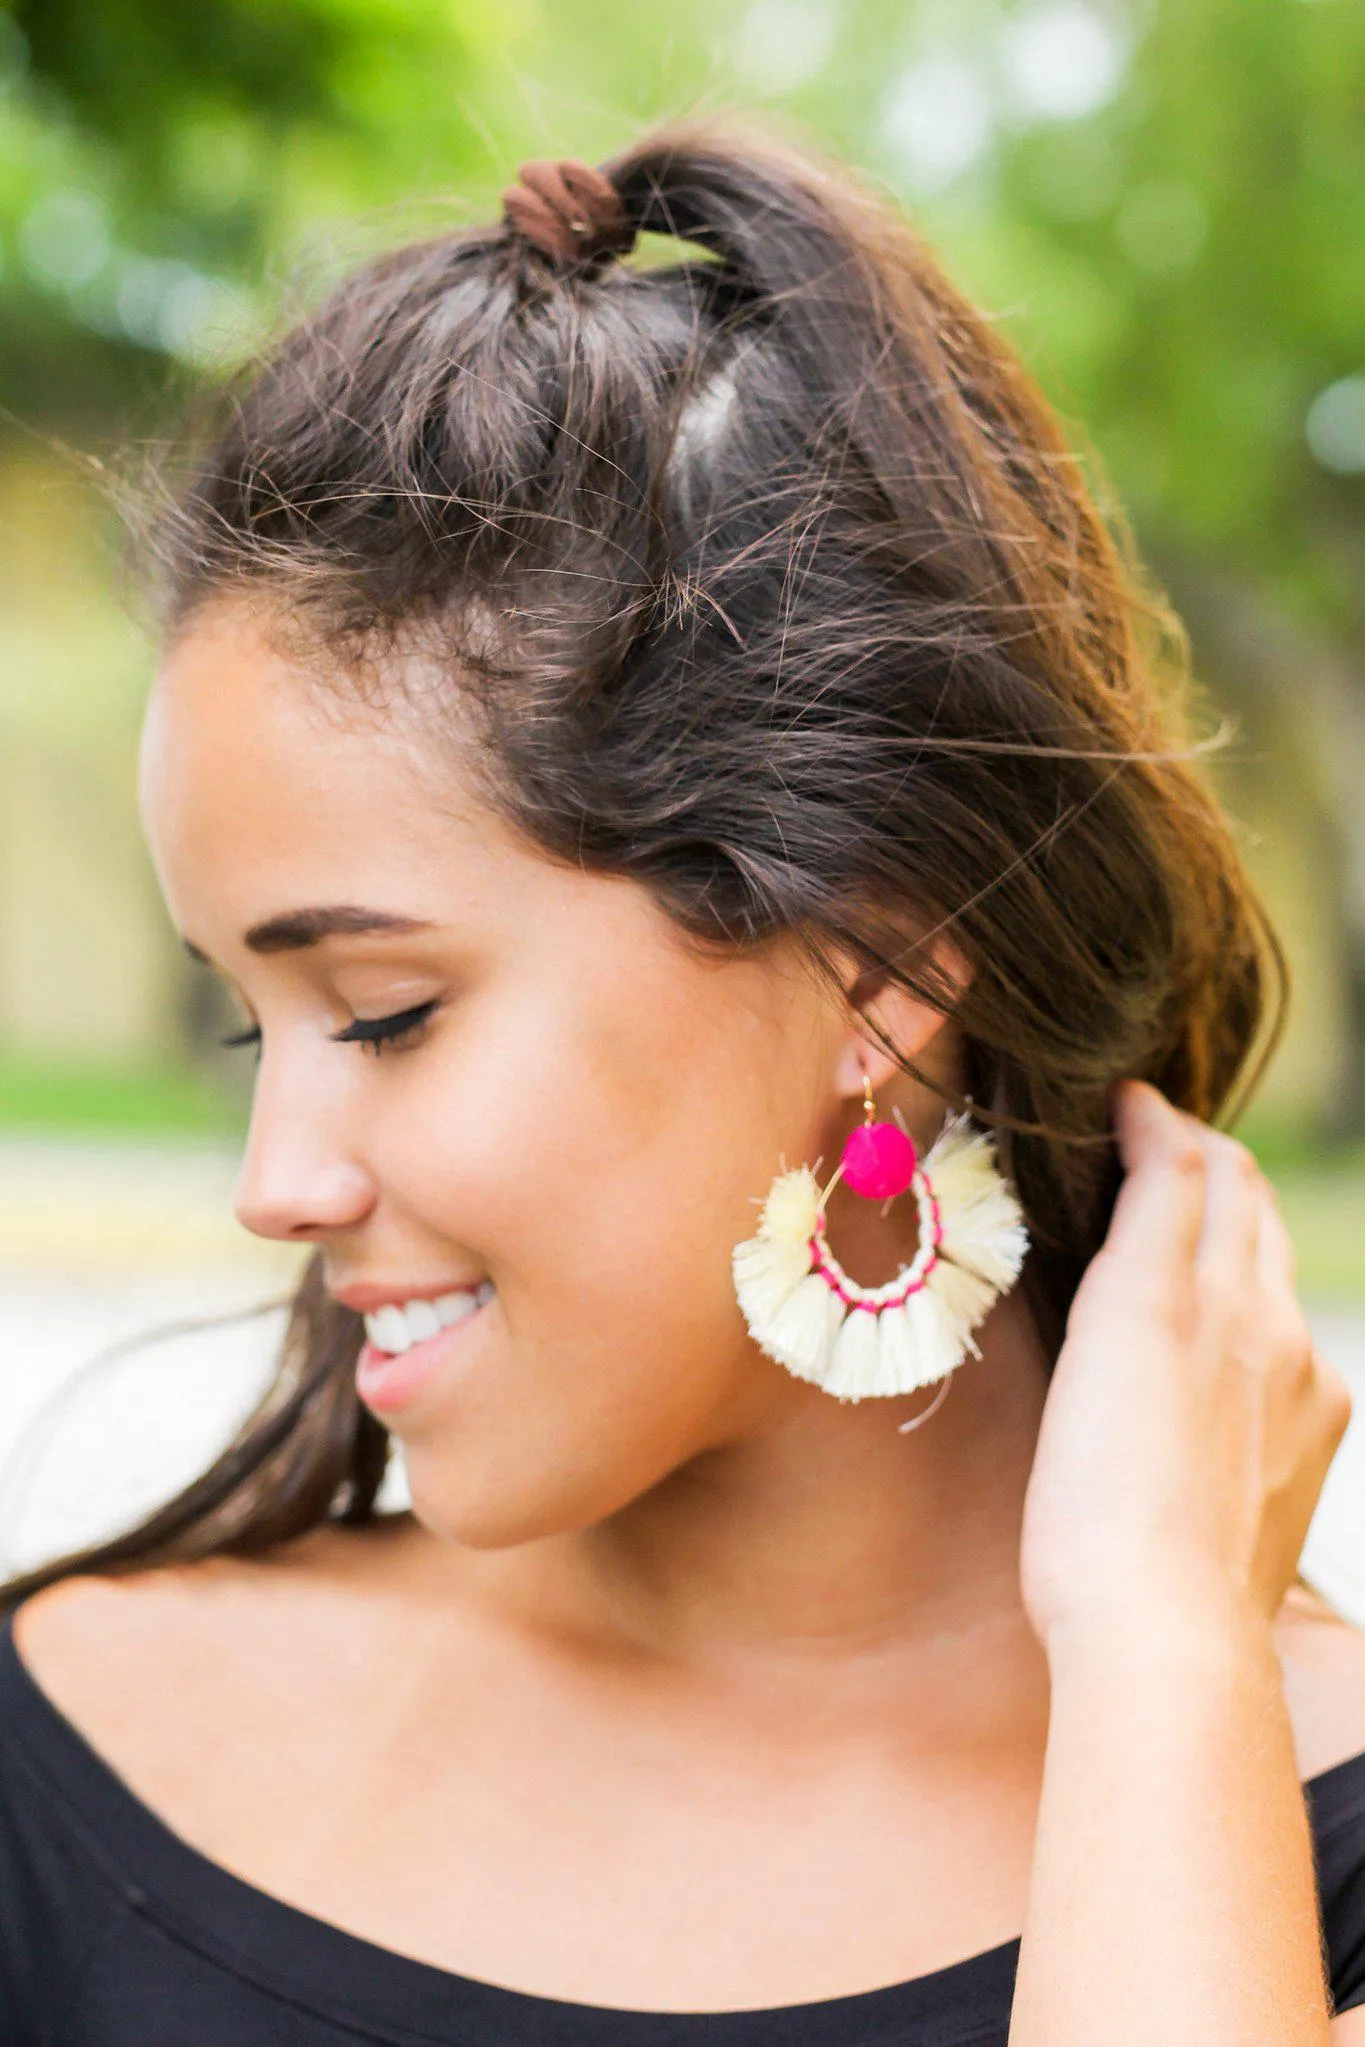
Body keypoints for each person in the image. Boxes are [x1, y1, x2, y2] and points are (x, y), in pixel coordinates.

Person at [1, 125, 1362, 2046]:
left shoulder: (1295, 1834)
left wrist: (1162, 1653)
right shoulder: (67, 1749)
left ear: (876, 974)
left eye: (382, 1013)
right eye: (249, 1021)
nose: (273, 1181)